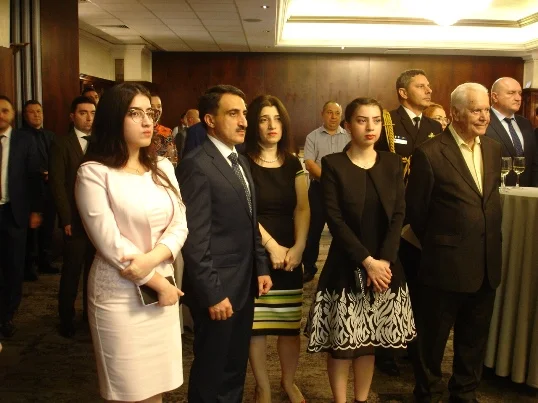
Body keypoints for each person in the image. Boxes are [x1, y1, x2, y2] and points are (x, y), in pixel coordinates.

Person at [75, 83, 188, 402]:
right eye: (134, 113)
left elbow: (180, 223)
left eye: (149, 113)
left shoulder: (162, 167)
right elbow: (110, 243)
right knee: (128, 389)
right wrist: (158, 283)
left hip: (162, 286)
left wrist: (152, 265)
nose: (147, 121)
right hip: (119, 295)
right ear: (113, 118)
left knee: (157, 388)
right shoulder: (94, 173)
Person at [306, 97, 416, 403]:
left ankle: (362, 399)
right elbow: (334, 219)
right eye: (362, 120)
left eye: (376, 120)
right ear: (348, 125)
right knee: (343, 344)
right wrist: (367, 262)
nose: (370, 127)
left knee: (369, 340)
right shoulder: (333, 164)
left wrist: (384, 261)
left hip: (385, 267)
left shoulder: (392, 163)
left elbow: (399, 214)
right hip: (347, 263)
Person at [406, 83, 502, 403]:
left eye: (486, 110)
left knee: (474, 338)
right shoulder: (430, 152)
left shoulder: (493, 148)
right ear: (455, 113)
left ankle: (464, 393)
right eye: (476, 110)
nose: (484, 117)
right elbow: (417, 213)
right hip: (444, 265)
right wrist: (443, 244)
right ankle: (429, 393)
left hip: (486, 262)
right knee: (432, 340)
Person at [178, 84, 272, 403]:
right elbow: (194, 239)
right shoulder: (196, 164)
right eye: (233, 114)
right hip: (217, 291)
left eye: (244, 113)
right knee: (211, 372)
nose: (244, 121)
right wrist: (213, 293)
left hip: (243, 284)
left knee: (234, 368)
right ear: (210, 120)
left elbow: (250, 221)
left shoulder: (239, 160)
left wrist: (261, 266)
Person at [374, 69, 443, 376]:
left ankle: (414, 349)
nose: (429, 90)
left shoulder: (433, 127)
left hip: (422, 216)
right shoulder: (386, 121)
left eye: (429, 86)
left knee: (419, 286)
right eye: (421, 86)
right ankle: (386, 352)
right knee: (389, 286)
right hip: (391, 216)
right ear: (403, 92)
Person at [244, 95, 310, 403]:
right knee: (256, 326)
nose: (272, 125)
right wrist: (271, 246)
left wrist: (299, 247)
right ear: (253, 125)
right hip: (256, 249)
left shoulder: (294, 162)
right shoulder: (242, 161)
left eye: (277, 118)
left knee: (289, 325)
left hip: (290, 252)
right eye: (263, 119)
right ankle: (263, 386)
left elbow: (302, 208)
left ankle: (288, 381)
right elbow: (245, 210)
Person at [49, 96, 97, 338]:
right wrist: (66, 218)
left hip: (97, 218)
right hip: (75, 220)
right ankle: (66, 318)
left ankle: (90, 315)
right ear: (72, 116)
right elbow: (57, 183)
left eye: (92, 113)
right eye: (83, 113)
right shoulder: (62, 143)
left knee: (93, 272)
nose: (89, 118)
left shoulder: (101, 142)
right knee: (72, 271)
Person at [0, 95, 43, 338]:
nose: (1, 115)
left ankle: (7, 315)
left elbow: (34, 177)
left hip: (14, 212)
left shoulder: (23, 141)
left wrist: (35, 210)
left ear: (12, 115)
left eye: (5, 110)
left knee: (13, 266)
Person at [302, 101, 350, 283]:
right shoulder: (312, 137)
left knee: (343, 230)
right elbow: (309, 163)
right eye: (329, 112)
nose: (333, 116)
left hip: (343, 191)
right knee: (313, 230)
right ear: (322, 114)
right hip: (319, 190)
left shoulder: (349, 138)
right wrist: (330, 180)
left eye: (337, 113)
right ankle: (309, 267)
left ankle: (342, 268)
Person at [21, 100, 58, 279]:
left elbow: (57, 158)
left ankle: (45, 261)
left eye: (39, 111)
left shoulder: (50, 136)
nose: (36, 115)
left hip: (49, 187)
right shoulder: (20, 137)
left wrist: (53, 173)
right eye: (32, 112)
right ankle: (29, 265)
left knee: (48, 226)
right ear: (24, 115)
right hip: (29, 188)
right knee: (30, 230)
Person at [485, 77, 538, 187]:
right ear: (495, 97)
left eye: (519, 93)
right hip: (497, 191)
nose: (518, 98)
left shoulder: (525, 123)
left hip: (527, 192)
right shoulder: (483, 122)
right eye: (511, 93)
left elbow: (534, 162)